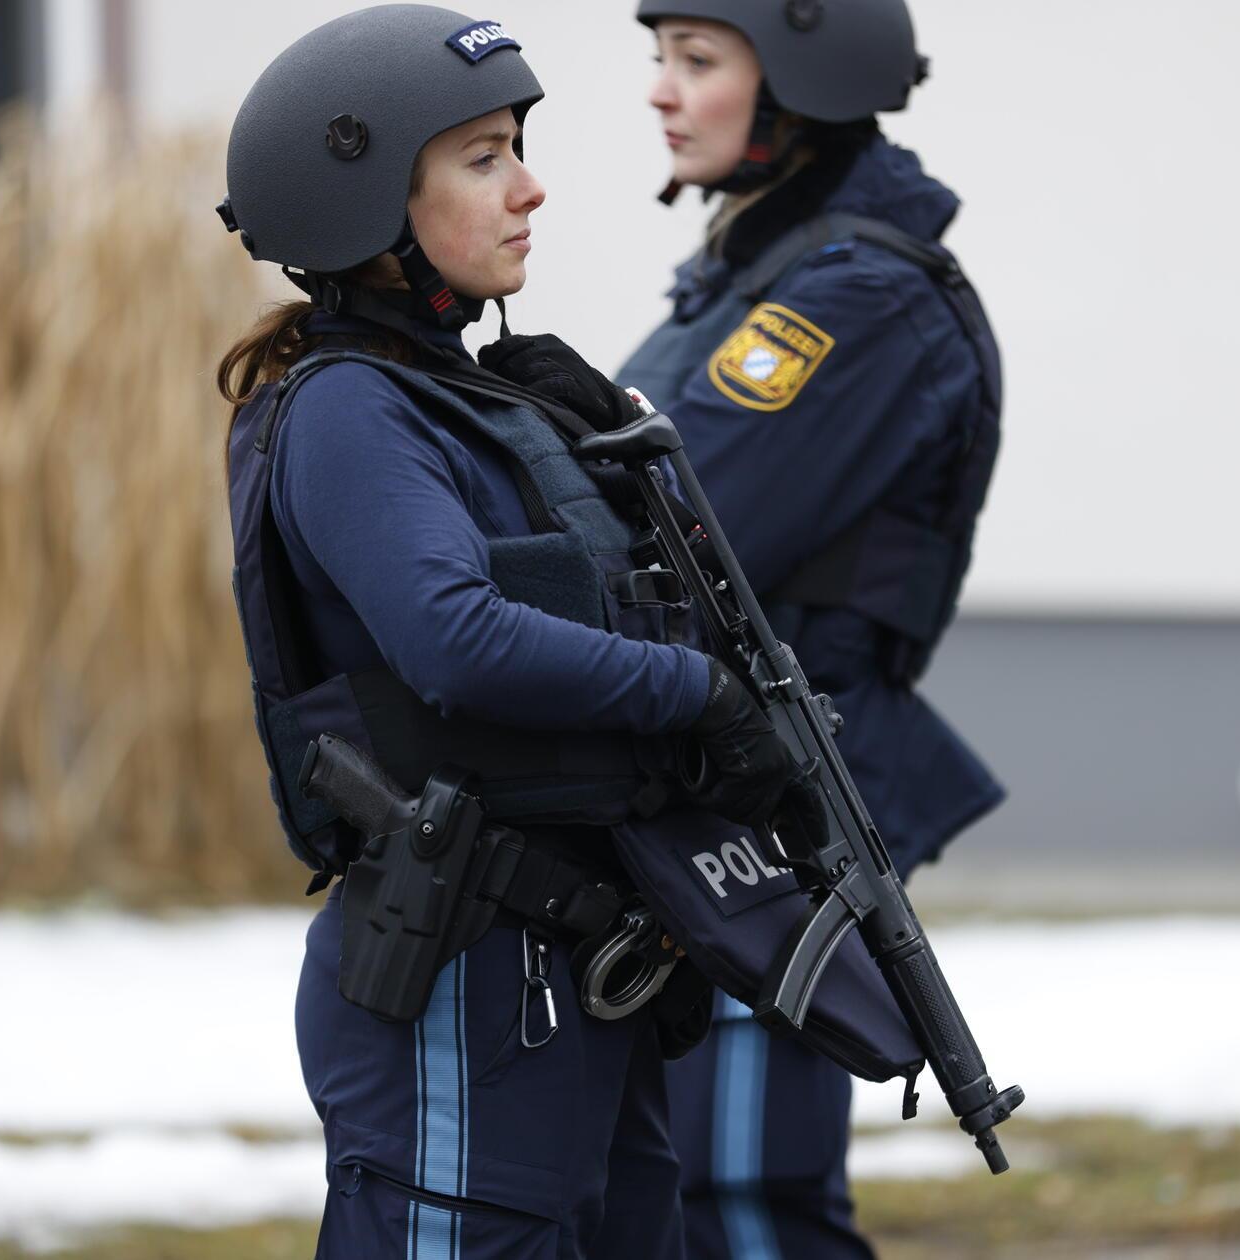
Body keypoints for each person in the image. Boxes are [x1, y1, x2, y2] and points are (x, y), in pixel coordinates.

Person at [215, 8, 809, 1257]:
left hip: (578, 975)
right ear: (367, 200)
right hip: (467, 980)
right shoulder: (350, 412)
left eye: (516, 152)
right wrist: (696, 696)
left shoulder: (468, 398)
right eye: (483, 158)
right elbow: (455, 639)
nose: (529, 189)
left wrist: (617, 462)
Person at [617, 1, 1008, 1256]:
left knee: (742, 1198)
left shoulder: (857, 297)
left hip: (787, 811)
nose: (661, 91)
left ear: (803, 84)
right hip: (716, 791)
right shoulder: (758, 269)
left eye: (697, 61)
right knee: (673, 1197)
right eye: (661, 60)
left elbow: (677, 531)